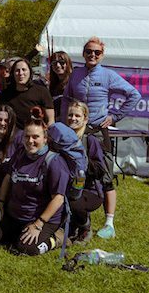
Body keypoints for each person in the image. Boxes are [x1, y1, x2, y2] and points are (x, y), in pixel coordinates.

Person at [61, 36, 141, 240]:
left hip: (97, 131)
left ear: (102, 55)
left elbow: (134, 95)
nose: (92, 55)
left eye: (97, 52)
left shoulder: (108, 75)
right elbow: (66, 100)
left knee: (104, 175)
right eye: (89, 51)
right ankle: (78, 219)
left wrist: (116, 116)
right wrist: (64, 125)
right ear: (83, 53)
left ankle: (109, 223)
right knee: (75, 173)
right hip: (76, 132)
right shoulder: (76, 74)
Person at [0, 112, 68, 255]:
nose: (30, 141)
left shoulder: (54, 162)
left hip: (41, 219)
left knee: (28, 249)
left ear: (45, 139)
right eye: (27, 136)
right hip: (16, 215)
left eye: (36, 137)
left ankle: (58, 237)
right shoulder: (20, 153)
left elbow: (58, 198)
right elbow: (8, 178)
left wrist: (39, 224)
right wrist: (1, 204)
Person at [65, 101, 106, 245]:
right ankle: (71, 226)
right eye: (70, 115)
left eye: (77, 115)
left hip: (90, 190)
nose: (73, 118)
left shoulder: (90, 140)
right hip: (67, 186)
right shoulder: (61, 139)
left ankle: (85, 226)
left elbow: (101, 169)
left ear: (85, 119)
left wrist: (83, 163)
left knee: (74, 202)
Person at [0, 58, 54, 128]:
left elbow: (50, 121)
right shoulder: (5, 95)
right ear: (13, 73)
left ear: (30, 72)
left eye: (24, 70)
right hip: (13, 136)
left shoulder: (42, 91)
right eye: (17, 70)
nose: (21, 73)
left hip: (36, 134)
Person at [48, 51, 73, 121]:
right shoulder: (52, 84)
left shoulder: (73, 81)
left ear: (68, 63)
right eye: (54, 63)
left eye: (62, 62)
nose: (58, 65)